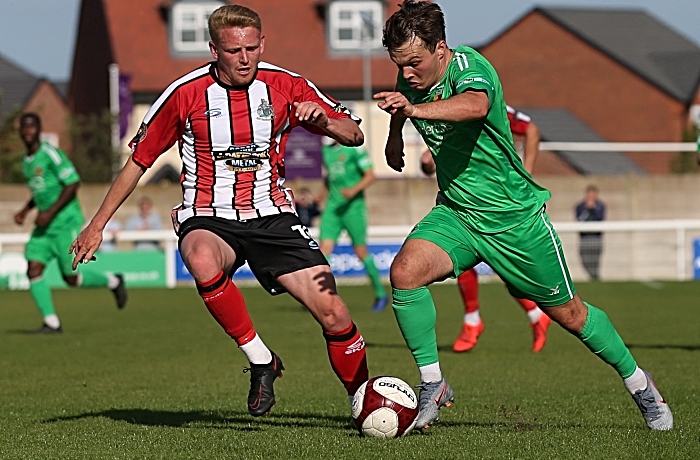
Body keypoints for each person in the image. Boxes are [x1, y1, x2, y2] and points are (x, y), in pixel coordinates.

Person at [374, 0, 672, 431]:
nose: (408, 73)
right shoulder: (411, 72)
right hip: (458, 214)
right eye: (400, 65)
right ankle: (433, 384)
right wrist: (395, 137)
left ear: (441, 48)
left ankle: (641, 385)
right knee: (404, 273)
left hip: (515, 221)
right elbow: (406, 101)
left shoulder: (472, 69)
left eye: (415, 63)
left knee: (570, 315)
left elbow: (474, 105)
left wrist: (414, 111)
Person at [70, 4, 368, 417]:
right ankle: (262, 359)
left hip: (271, 213)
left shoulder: (288, 85)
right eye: (233, 50)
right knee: (200, 256)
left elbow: (355, 133)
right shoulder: (183, 94)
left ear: (263, 43)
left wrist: (326, 122)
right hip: (208, 213)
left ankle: (365, 402)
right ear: (214, 49)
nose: (244, 58)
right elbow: (138, 163)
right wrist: (96, 225)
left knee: (334, 313)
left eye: (251, 48)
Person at [421, 106, 551, 353]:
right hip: (464, 200)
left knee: (508, 265)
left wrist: (528, 174)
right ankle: (474, 320)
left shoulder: (484, 99)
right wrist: (428, 161)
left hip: (500, 201)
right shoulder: (443, 106)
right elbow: (433, 161)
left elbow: (532, 129)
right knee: (459, 256)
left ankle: (535, 313)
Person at [13, 113, 127, 333]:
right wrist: (25, 211)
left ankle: (113, 281)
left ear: (39, 129)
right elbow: (42, 191)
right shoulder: (26, 162)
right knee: (33, 268)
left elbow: (72, 183)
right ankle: (51, 322)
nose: (28, 131)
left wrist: (49, 212)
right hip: (45, 227)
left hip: (65, 221)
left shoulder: (51, 154)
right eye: (24, 128)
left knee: (71, 278)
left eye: (32, 127)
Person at [319, 140, 389, 312]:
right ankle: (325, 297)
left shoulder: (355, 150)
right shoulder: (326, 151)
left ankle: (381, 294)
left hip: (353, 208)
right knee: (323, 252)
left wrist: (353, 190)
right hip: (333, 208)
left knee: (360, 251)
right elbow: (330, 177)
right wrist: (322, 194)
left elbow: (371, 175)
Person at [575, 185, 606, 280]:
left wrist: (593, 208)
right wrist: (587, 209)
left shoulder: (600, 206)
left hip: (596, 238)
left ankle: (595, 278)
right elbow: (579, 219)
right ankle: (594, 277)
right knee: (585, 260)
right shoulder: (580, 206)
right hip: (585, 238)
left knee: (595, 260)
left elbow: (600, 218)